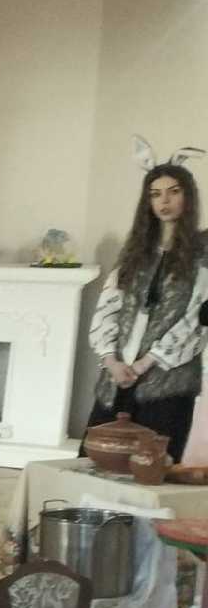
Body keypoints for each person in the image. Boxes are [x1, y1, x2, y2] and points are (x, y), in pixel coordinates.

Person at [86, 163, 207, 461]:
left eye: (173, 192)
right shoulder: (135, 251)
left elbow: (196, 319)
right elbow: (108, 306)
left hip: (168, 381)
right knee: (97, 462)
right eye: (155, 194)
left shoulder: (203, 252)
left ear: (188, 197)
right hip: (116, 377)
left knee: (152, 466)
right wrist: (111, 360)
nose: (164, 201)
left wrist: (144, 364)